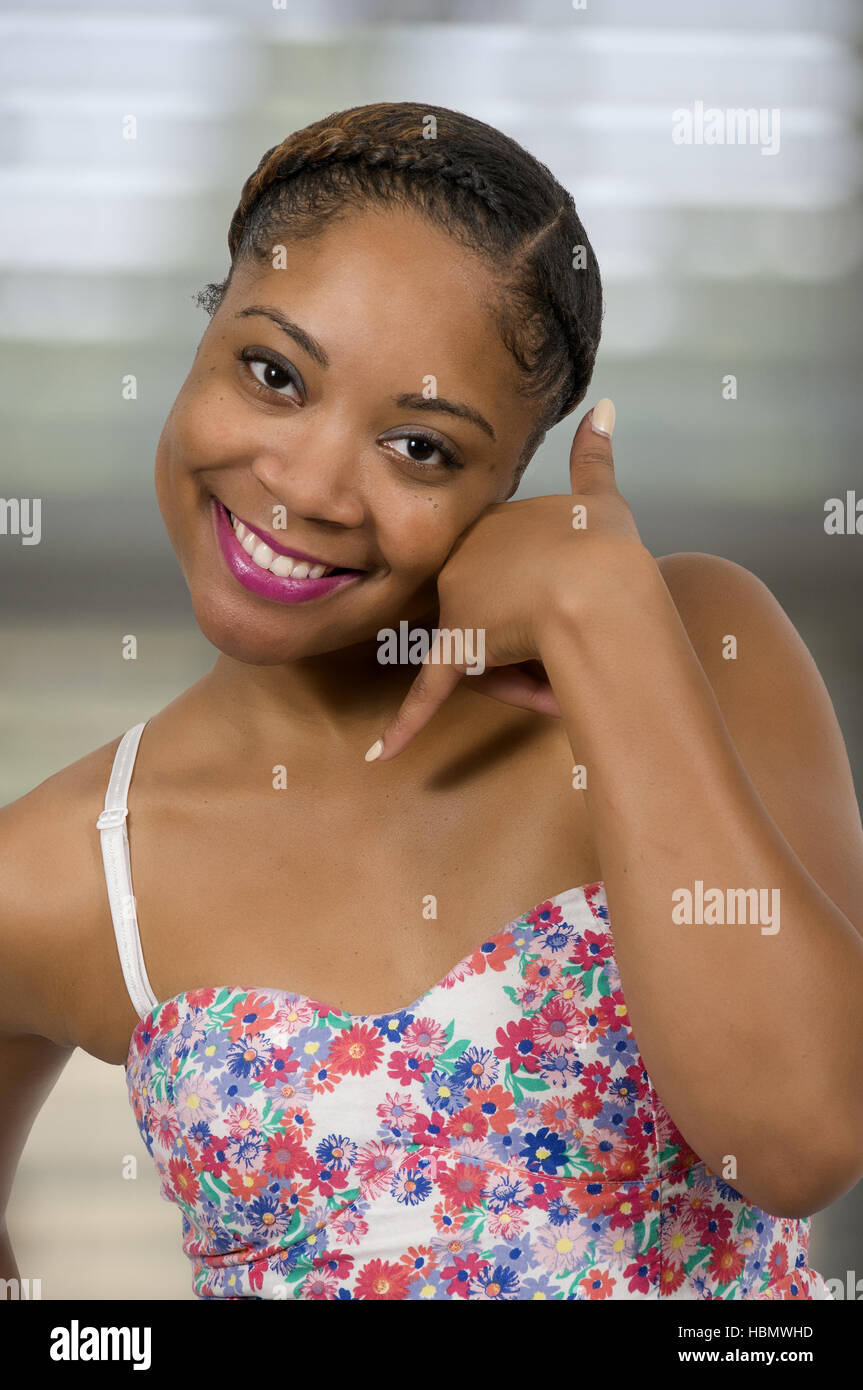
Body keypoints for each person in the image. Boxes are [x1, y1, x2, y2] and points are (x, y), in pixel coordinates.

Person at [2, 101, 862, 1302]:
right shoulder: (48, 874)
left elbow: (794, 1141)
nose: (304, 485)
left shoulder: (698, 644)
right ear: (204, 336)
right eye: (271, 372)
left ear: (510, 482)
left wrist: (601, 617)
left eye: (419, 447)